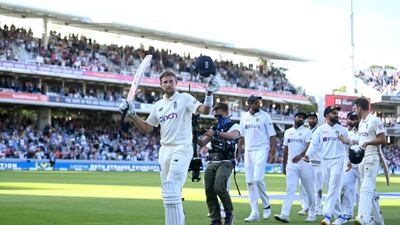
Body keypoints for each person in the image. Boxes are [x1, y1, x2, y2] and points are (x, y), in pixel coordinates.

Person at [118, 70, 215, 225]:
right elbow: (147, 128)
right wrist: (132, 114)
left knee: (172, 183)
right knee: (168, 192)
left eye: (171, 81)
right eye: (165, 82)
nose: (168, 84)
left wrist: (209, 94)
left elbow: (205, 110)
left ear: (176, 83)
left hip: (182, 147)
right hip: (164, 150)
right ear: (161, 85)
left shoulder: (185, 98)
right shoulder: (159, 105)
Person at [304, 106, 351, 225]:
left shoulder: (342, 129)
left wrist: (348, 161)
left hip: (338, 160)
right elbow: (313, 145)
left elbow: (347, 147)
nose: (336, 115)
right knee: (330, 189)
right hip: (324, 161)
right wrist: (307, 155)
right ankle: (340, 217)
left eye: (337, 113)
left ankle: (327, 216)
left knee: (334, 187)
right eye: (333, 113)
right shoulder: (320, 130)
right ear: (326, 115)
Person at [198, 102, 241, 225]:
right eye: (215, 112)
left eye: (218, 111)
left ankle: (229, 214)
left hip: (226, 161)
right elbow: (202, 143)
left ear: (226, 112)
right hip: (212, 160)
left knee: (219, 187)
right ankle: (215, 219)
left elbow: (233, 136)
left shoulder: (234, 125)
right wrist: (193, 133)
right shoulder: (214, 127)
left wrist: (215, 133)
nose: (216, 114)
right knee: (209, 190)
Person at [238, 95, 277, 222]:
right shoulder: (244, 116)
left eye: (259, 102)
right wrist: (239, 150)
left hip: (262, 149)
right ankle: (254, 212)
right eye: (255, 102)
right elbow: (241, 135)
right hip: (248, 151)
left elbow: (272, 136)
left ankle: (266, 206)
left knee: (258, 179)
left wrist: (272, 153)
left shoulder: (265, 116)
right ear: (249, 103)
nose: (258, 104)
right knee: (249, 182)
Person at [274, 112, 316, 223]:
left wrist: (300, 156)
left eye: (303, 118)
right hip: (291, 166)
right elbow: (285, 150)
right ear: (295, 118)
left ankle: (312, 213)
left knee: (309, 191)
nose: (301, 119)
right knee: (290, 190)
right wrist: (284, 165)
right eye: (299, 117)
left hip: (304, 165)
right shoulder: (288, 132)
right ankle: (284, 214)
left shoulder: (307, 132)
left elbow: (308, 148)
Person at [353, 97, 386, 225]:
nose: (354, 110)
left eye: (355, 108)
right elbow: (362, 141)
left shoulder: (374, 120)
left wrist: (369, 143)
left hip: (372, 157)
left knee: (366, 187)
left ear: (360, 107)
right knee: (370, 189)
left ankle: (363, 218)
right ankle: (378, 220)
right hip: (362, 158)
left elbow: (382, 139)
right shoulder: (361, 122)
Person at [333, 111, 361, 223]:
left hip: (361, 164)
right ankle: (347, 214)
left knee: (366, 191)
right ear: (347, 120)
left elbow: (363, 142)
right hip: (348, 164)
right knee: (345, 188)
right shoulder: (344, 131)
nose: (353, 121)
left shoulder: (362, 130)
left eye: (356, 119)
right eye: (351, 119)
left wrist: (349, 141)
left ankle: (372, 214)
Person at [298, 112, 322, 216]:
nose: (311, 120)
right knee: (302, 185)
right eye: (310, 118)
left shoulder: (320, 130)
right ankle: (305, 207)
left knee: (318, 187)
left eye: (313, 118)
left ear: (316, 120)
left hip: (318, 162)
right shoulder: (305, 131)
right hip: (306, 162)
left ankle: (318, 208)